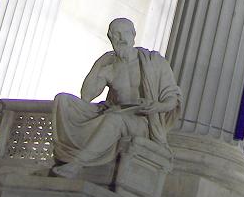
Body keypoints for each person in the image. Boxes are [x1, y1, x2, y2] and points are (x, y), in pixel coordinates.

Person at [50, 18, 181, 178]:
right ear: (110, 38)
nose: (121, 38)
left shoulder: (154, 62)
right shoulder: (110, 67)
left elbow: (172, 100)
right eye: (116, 34)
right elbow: (86, 96)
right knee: (63, 100)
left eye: (125, 33)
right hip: (115, 113)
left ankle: (76, 164)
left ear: (133, 35)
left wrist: (155, 106)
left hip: (143, 122)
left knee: (115, 119)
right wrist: (99, 64)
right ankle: (66, 155)